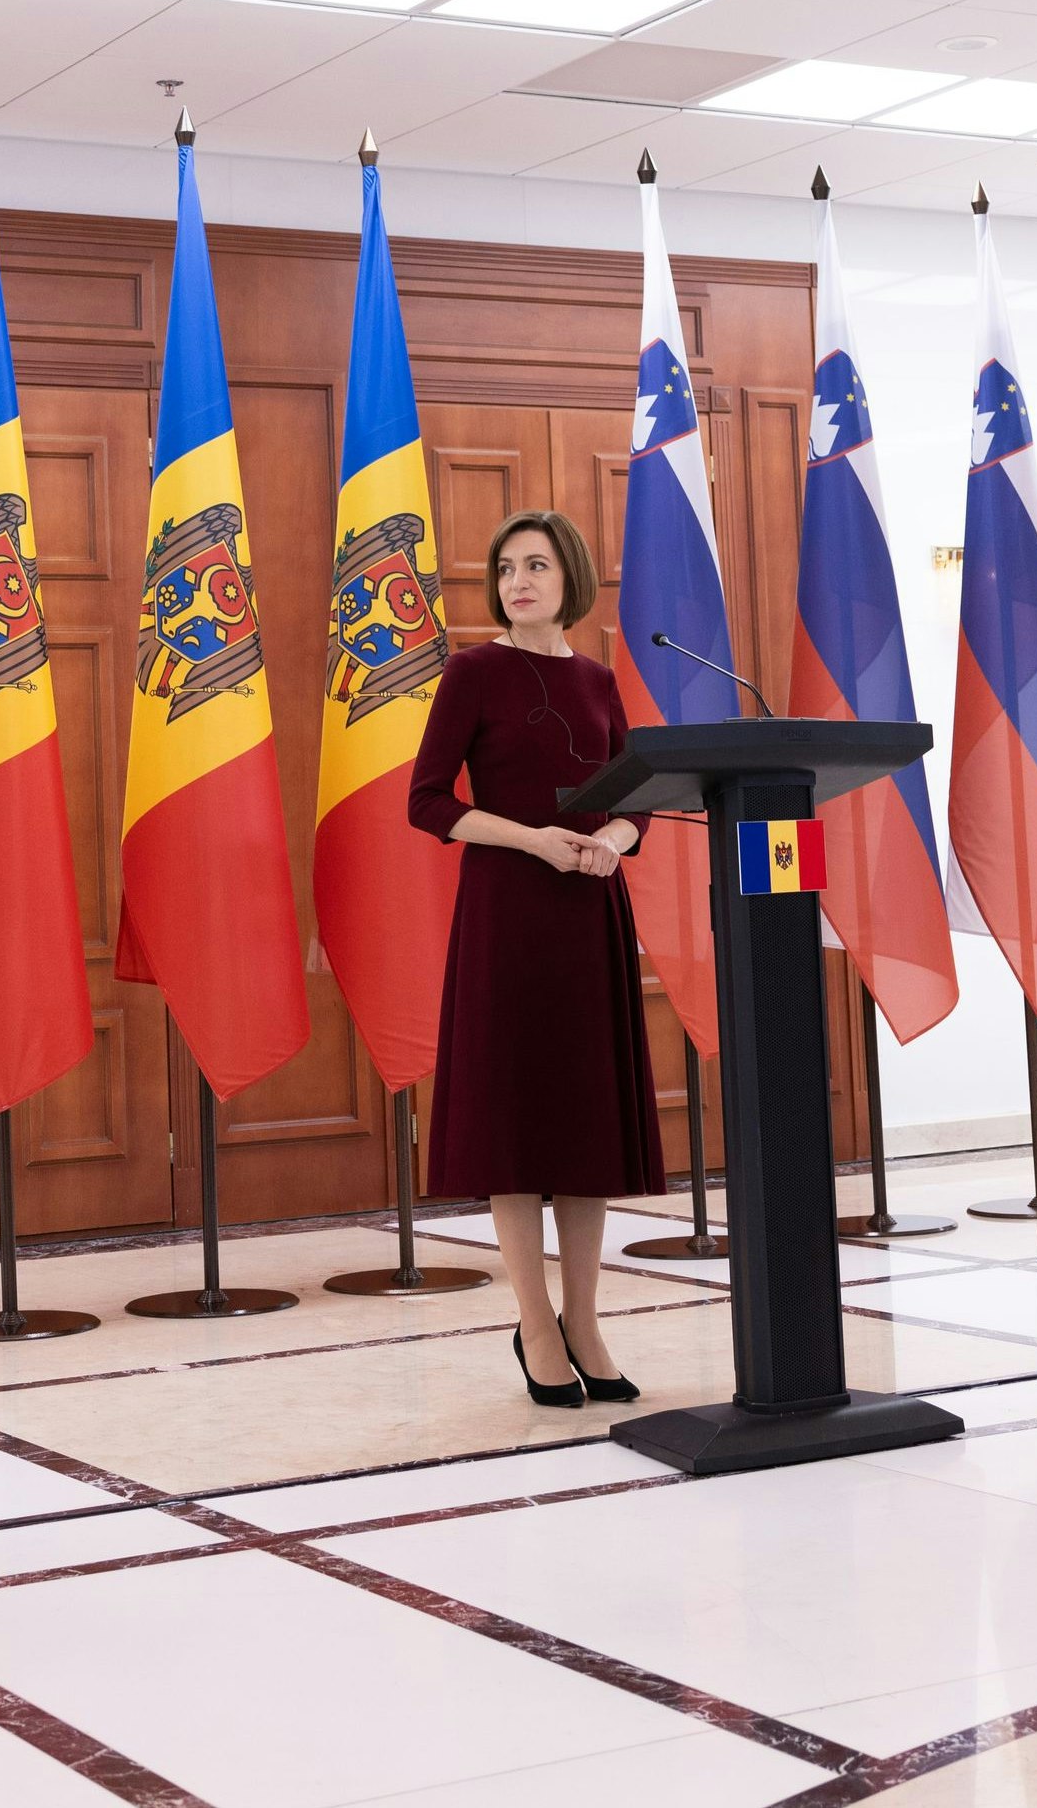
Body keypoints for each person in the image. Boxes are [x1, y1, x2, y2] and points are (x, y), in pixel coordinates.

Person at [408, 510, 666, 1407]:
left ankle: (584, 1322)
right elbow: (427, 801)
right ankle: (535, 1325)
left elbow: (638, 794)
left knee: (587, 1130)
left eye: (537, 567)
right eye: (506, 567)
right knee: (514, 1127)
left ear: (571, 581)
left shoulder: (597, 680)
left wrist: (616, 842)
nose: (518, 582)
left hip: (588, 915)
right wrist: (534, 840)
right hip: (507, 915)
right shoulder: (472, 672)